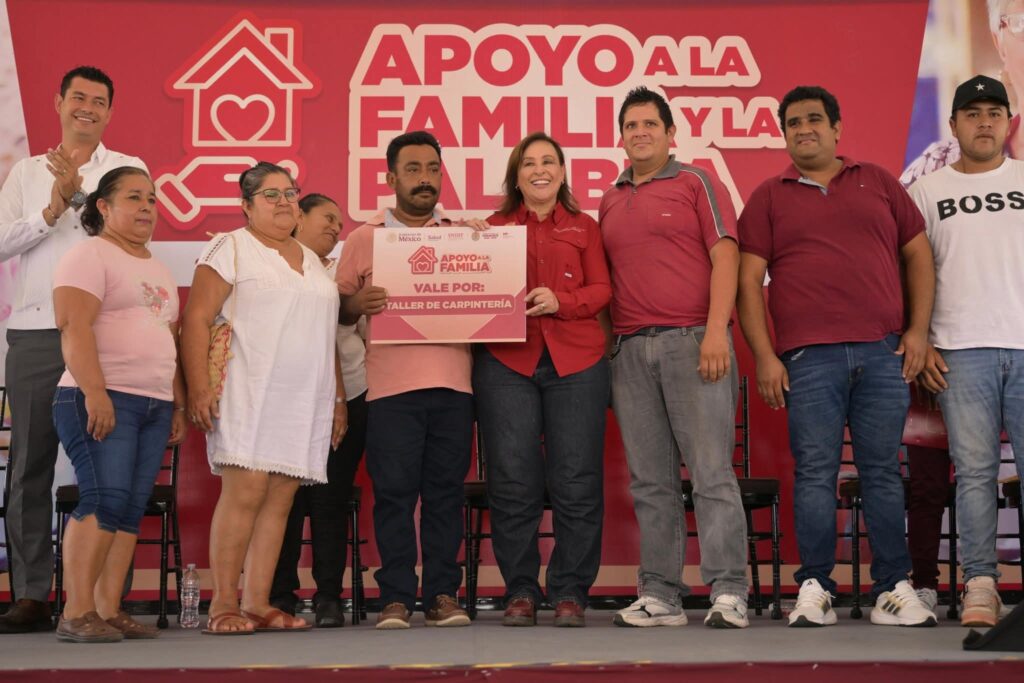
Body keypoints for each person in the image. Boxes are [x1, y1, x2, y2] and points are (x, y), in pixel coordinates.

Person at [736, 85, 937, 627]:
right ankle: (816, 587)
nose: (804, 129)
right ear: (784, 134)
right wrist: (765, 356)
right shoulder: (768, 197)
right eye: (793, 123)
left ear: (837, 127)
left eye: (814, 119)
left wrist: (918, 331)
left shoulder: (879, 182)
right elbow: (748, 281)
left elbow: (918, 254)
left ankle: (893, 587)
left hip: (882, 352)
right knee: (815, 473)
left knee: (882, 472)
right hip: (808, 360)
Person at [0, 66, 146, 633]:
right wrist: (49, 209)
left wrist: (78, 195)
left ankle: (104, 598)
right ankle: (32, 594)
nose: (87, 107)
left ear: (110, 111)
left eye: (99, 100)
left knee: (109, 464)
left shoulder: (126, 168)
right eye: (78, 97)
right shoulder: (26, 172)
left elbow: (130, 236)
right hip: (37, 330)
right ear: (58, 102)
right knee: (29, 466)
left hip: (104, 332)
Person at [600, 86, 751, 629]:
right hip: (630, 351)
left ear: (670, 133)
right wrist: (610, 351)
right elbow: (606, 283)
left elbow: (726, 254)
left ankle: (729, 590)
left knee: (711, 474)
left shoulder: (696, 181)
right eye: (631, 125)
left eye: (650, 124)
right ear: (620, 137)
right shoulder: (610, 199)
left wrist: (715, 332)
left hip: (693, 342)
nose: (640, 132)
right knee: (650, 482)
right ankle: (661, 594)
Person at [181, 162, 347, 635]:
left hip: (304, 397)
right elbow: (196, 319)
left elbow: (326, 334)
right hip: (248, 389)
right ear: (246, 206)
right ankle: (223, 606)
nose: (282, 202)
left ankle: (257, 602)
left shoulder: (313, 260)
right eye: (269, 195)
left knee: (280, 497)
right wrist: (198, 387)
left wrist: (337, 398)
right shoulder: (230, 247)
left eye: (289, 193)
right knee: (247, 490)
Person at [337, 131, 483, 630]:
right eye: (414, 169)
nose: (425, 179)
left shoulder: (465, 235)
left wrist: (490, 251)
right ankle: (395, 597)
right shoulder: (364, 238)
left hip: (454, 386)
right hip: (389, 390)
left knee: (445, 495)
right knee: (394, 496)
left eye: (433, 169)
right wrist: (356, 304)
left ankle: (442, 594)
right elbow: (337, 309)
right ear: (391, 177)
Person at [474, 132, 611, 628]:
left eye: (548, 161)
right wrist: (464, 245)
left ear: (562, 171)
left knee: (577, 480)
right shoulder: (489, 228)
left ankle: (571, 590)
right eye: (528, 162)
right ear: (516, 175)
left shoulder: (584, 226)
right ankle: (521, 591)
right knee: (513, 480)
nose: (539, 170)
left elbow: (602, 289)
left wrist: (562, 301)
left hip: (577, 362)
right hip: (506, 363)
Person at [49, 167, 185, 642]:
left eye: (152, 198)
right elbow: (73, 326)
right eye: (134, 197)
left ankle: (108, 609)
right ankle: (76, 612)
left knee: (129, 507)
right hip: (101, 397)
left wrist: (177, 405)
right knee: (103, 498)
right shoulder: (88, 255)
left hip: (153, 403)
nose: (147, 207)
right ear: (103, 207)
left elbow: (169, 339)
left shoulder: (157, 266)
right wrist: (95, 393)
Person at [909, 75, 1024, 628]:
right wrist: (921, 336)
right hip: (959, 349)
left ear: (1008, 121)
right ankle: (980, 583)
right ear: (953, 125)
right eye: (972, 114)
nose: (984, 122)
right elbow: (911, 272)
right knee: (975, 473)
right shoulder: (926, 191)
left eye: (993, 113)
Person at [269, 193, 369, 628]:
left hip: (350, 397)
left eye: (339, 223)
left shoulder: (344, 273)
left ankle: (329, 596)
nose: (334, 228)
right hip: (287, 400)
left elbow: (360, 332)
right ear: (298, 217)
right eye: (326, 218)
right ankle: (280, 596)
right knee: (284, 502)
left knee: (330, 501)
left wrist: (345, 397)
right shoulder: (273, 267)